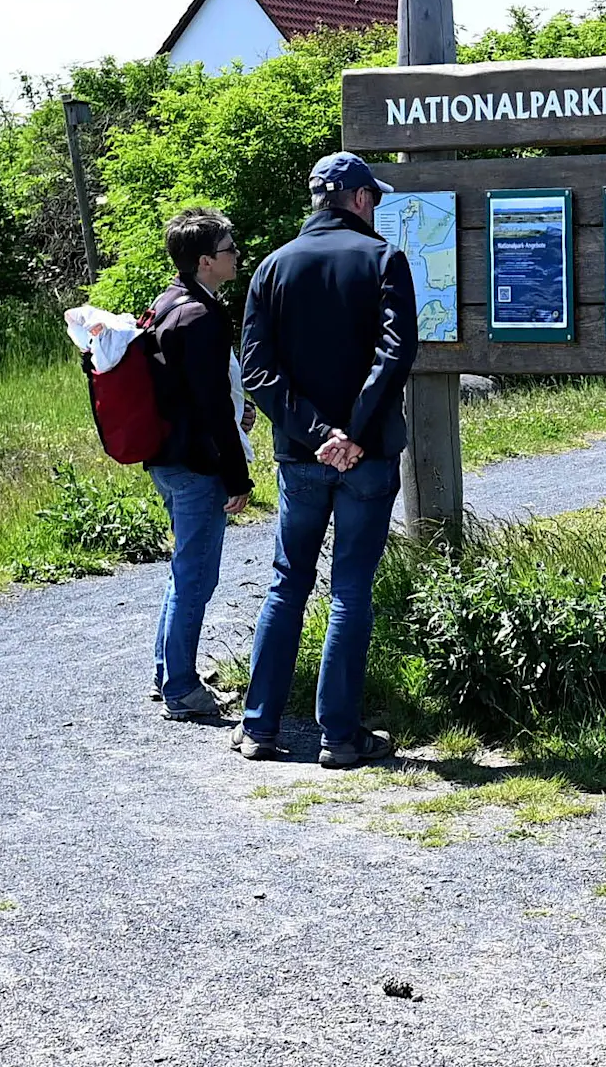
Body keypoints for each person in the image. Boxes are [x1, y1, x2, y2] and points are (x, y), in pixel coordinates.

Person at [235, 152, 418, 767]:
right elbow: (395, 354)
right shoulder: (384, 259)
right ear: (360, 198)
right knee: (350, 591)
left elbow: (258, 371)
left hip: (299, 456)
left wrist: (317, 434)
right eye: (377, 198)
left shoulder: (271, 267)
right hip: (366, 457)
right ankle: (340, 737)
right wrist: (354, 433)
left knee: (288, 583)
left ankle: (259, 727)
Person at [148, 208, 254, 720]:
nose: (239, 255)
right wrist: (237, 476)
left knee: (184, 569)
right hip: (196, 465)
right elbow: (212, 408)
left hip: (165, 457)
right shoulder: (203, 317)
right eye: (231, 249)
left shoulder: (168, 302)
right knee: (195, 577)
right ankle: (183, 690)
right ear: (207, 261)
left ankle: (166, 672)